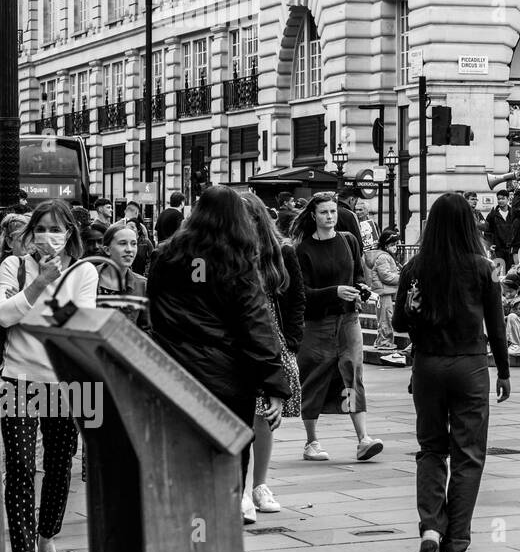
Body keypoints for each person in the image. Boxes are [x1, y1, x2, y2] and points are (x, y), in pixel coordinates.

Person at [148, 188, 291, 518]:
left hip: (174, 376)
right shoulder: (236, 260)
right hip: (226, 380)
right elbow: (256, 327)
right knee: (226, 466)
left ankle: (190, 547)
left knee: (182, 466)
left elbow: (154, 312)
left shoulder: (165, 256)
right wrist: (273, 385)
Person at [392, 191, 511, 552]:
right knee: (468, 454)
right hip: (469, 366)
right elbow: (496, 326)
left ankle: (430, 527)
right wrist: (504, 372)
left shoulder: (414, 268)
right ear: (467, 224)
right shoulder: (483, 267)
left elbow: (398, 323)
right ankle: (455, 543)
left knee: (430, 449)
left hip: (427, 366)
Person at [0, 200, 99, 552]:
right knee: (21, 465)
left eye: (56, 229)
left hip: (64, 381)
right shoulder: (13, 266)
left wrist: (36, 300)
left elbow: (78, 325)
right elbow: (3, 315)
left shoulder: (83, 271)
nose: (47, 237)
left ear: (70, 233)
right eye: (40, 228)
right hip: (18, 377)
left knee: (58, 465)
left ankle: (47, 537)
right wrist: (39, 282)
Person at [292, 192, 383, 463]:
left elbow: (356, 275)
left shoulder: (348, 240)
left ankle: (363, 439)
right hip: (317, 324)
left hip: (348, 320)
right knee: (314, 377)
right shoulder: (303, 250)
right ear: (313, 216)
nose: (330, 217)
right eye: (324, 213)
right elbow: (301, 293)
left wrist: (361, 288)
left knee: (352, 375)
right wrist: (334, 292)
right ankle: (311, 441)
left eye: (332, 212)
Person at [240, 194, 304, 521]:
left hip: (270, 338)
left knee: (264, 415)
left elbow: (296, 298)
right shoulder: (228, 253)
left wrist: (291, 341)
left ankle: (259, 485)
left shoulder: (281, 252)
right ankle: (240, 489)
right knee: (242, 412)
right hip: (238, 341)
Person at [97, 222, 149, 331]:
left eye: (134, 243)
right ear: (107, 250)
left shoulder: (142, 285)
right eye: (122, 243)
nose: (129, 249)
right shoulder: (90, 277)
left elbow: (146, 329)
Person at [371, 228, 403, 356]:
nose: (395, 247)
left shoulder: (386, 256)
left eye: (396, 244)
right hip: (383, 293)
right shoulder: (383, 257)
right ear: (385, 245)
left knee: (384, 316)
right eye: (392, 245)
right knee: (386, 317)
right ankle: (385, 342)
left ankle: (381, 340)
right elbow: (386, 276)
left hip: (384, 292)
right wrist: (401, 278)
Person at [485, 190, 512, 264]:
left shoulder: (513, 214)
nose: (500, 201)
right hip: (498, 249)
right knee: (499, 271)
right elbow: (487, 231)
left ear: (508, 199)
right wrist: (489, 244)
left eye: (503, 198)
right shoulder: (492, 215)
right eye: (498, 199)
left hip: (511, 249)